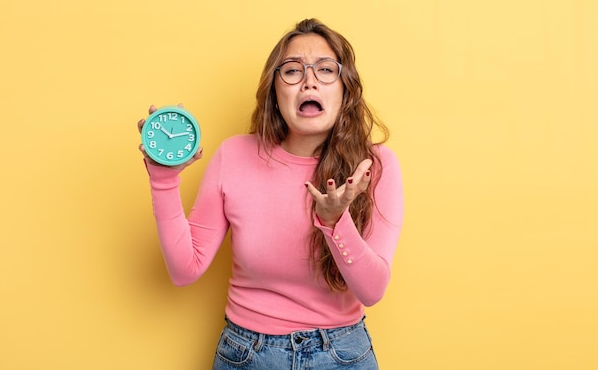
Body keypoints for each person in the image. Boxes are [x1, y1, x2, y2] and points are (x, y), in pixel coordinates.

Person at [137, 18, 404, 369]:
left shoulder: (374, 166)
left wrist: (336, 222)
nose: (309, 80)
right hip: (247, 355)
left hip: (342, 354)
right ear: (275, 92)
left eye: (326, 69)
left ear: (346, 90)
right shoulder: (234, 156)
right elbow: (185, 270)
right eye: (292, 71)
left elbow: (373, 291)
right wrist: (163, 179)